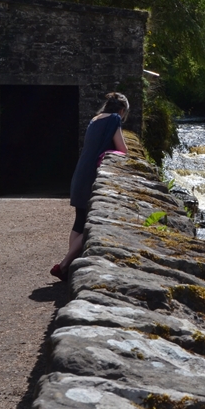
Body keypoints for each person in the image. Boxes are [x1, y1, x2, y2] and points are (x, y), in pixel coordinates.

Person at [50, 92, 129, 281]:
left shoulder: (95, 119)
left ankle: (69, 267)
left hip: (80, 173)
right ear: (121, 110)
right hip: (92, 175)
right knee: (92, 224)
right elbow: (123, 149)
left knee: (79, 222)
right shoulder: (114, 119)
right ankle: (64, 264)